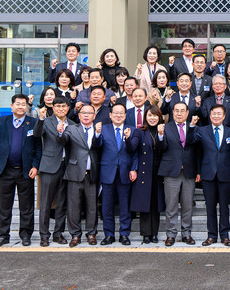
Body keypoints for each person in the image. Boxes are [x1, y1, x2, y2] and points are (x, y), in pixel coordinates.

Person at [0, 95, 40, 247]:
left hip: (25, 171)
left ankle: (26, 235)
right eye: (18, 104)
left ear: (27, 106)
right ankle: (3, 235)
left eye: (24, 104)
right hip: (5, 171)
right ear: (12, 106)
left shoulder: (33, 123)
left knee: (26, 206)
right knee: (4, 205)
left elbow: (38, 147)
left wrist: (35, 166)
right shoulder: (2, 121)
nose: (21, 107)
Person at [192, 104, 230, 246]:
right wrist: (192, 126)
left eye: (219, 114)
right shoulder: (202, 130)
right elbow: (194, 146)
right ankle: (211, 235)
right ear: (210, 115)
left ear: (224, 116)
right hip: (208, 174)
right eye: (214, 114)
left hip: (225, 173)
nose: (216, 116)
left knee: (224, 206)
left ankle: (225, 235)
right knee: (210, 206)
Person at [92, 103, 137, 245]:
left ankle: (124, 234)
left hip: (125, 172)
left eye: (121, 113)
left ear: (125, 115)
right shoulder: (103, 129)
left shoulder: (132, 130)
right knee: (107, 206)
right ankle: (109, 234)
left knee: (125, 206)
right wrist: (97, 134)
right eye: (115, 113)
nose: (118, 115)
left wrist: (133, 168)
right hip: (107, 172)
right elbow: (96, 146)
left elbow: (134, 152)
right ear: (110, 115)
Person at [58, 104, 100, 246]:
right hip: (75, 173)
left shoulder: (100, 129)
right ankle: (75, 234)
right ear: (79, 115)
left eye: (90, 113)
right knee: (73, 206)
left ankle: (91, 233)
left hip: (92, 173)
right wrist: (60, 133)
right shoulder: (71, 129)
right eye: (84, 113)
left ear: (94, 115)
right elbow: (64, 140)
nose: (87, 115)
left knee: (92, 206)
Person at [158, 102, 200, 246]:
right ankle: (171, 234)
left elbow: (196, 149)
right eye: (177, 111)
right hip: (171, 171)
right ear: (173, 112)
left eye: (183, 111)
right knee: (171, 205)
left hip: (189, 171)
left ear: (187, 113)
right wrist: (161, 136)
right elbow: (161, 148)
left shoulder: (194, 127)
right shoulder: (166, 128)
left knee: (187, 205)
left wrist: (198, 171)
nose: (179, 113)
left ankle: (187, 233)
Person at [33, 96, 73, 246]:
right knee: (46, 202)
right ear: (53, 108)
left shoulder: (73, 124)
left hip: (66, 167)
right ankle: (44, 235)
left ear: (68, 108)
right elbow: (36, 134)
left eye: (64, 106)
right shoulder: (47, 121)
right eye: (57, 106)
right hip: (49, 166)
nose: (61, 109)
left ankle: (58, 233)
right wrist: (41, 119)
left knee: (62, 202)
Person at [129, 106, 166, 244]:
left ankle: (154, 233)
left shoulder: (163, 130)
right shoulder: (140, 131)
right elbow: (132, 149)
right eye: (150, 115)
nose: (152, 118)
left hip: (159, 172)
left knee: (156, 205)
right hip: (144, 172)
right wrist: (128, 138)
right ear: (145, 117)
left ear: (159, 117)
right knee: (145, 204)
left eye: (155, 115)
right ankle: (146, 234)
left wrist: (161, 135)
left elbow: (165, 148)